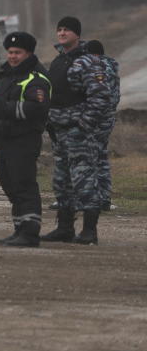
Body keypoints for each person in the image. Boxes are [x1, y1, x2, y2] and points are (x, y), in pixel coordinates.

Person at [42, 17, 112, 245]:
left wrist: (84, 124)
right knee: (62, 182)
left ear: (77, 35)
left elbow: (101, 96)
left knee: (84, 180)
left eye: (67, 30)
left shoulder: (87, 62)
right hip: (60, 131)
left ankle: (90, 231)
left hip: (78, 132)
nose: (62, 33)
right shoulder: (59, 61)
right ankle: (65, 228)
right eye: (59, 29)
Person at [0, 32, 51, 247]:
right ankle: (20, 228)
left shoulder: (36, 78)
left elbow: (37, 108)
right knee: (9, 183)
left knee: (23, 184)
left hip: (24, 139)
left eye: (17, 53)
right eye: (10, 52)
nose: (12, 56)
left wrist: (5, 108)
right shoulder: (7, 76)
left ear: (28, 53)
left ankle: (30, 233)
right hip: (5, 139)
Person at [84, 39, 121, 212]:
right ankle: (103, 198)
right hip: (106, 118)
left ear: (95, 54)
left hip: (99, 119)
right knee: (100, 157)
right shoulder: (109, 67)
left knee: (94, 157)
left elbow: (100, 97)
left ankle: (96, 198)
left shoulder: (101, 69)